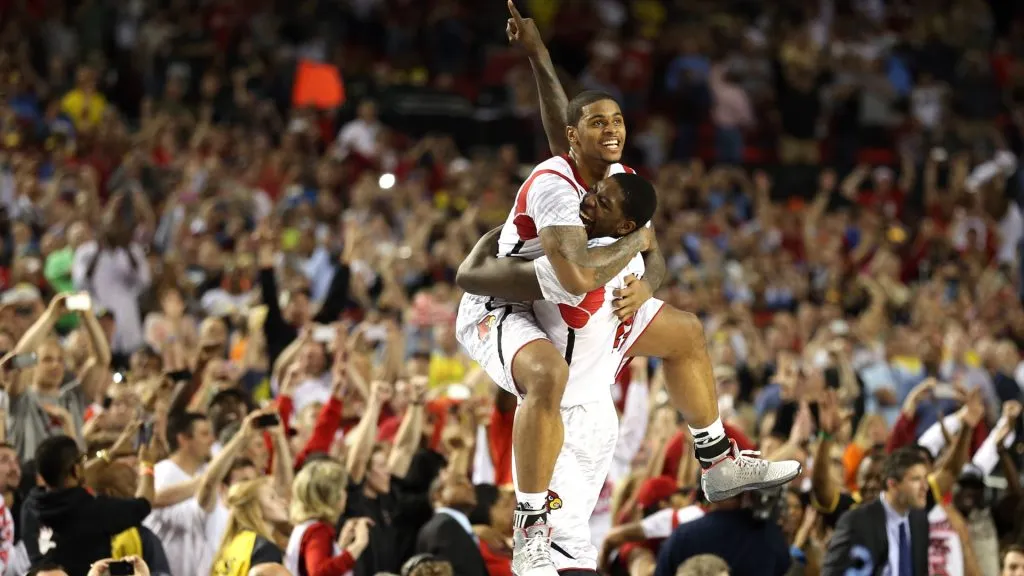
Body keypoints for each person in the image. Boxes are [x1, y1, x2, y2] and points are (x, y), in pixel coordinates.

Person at [453, 7, 802, 574]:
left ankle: (715, 460)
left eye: (617, 119)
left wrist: (647, 284)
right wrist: (636, 240)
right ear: (576, 137)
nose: (612, 128)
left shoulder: (622, 186)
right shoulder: (557, 192)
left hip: (577, 309)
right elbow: (579, 278)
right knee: (548, 376)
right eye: (597, 122)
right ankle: (530, 523)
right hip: (506, 303)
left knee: (687, 333)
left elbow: (655, 257)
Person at [32, 435, 155, 576]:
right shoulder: (92, 509)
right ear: (76, 469)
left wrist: (111, 453)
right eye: (82, 460)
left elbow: (71, 478)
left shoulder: (30, 505)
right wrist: (147, 464)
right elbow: (144, 503)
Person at [822, 446, 931, 576]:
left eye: (925, 478)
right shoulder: (856, 522)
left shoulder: (920, 521)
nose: (925, 486)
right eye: (916, 479)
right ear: (893, 484)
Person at [285, 459, 370, 576]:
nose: (345, 494)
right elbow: (318, 573)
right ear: (331, 496)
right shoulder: (317, 530)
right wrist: (357, 546)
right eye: (342, 489)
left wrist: (341, 546)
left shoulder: (306, 527)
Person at [416, 470, 488, 576]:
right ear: (438, 495)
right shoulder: (444, 528)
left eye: (469, 482)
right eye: (459, 483)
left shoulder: (449, 526)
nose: (469, 486)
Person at [211, 478, 288, 576]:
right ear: (255, 508)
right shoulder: (264, 550)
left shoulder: (231, 544)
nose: (283, 502)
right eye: (272, 498)